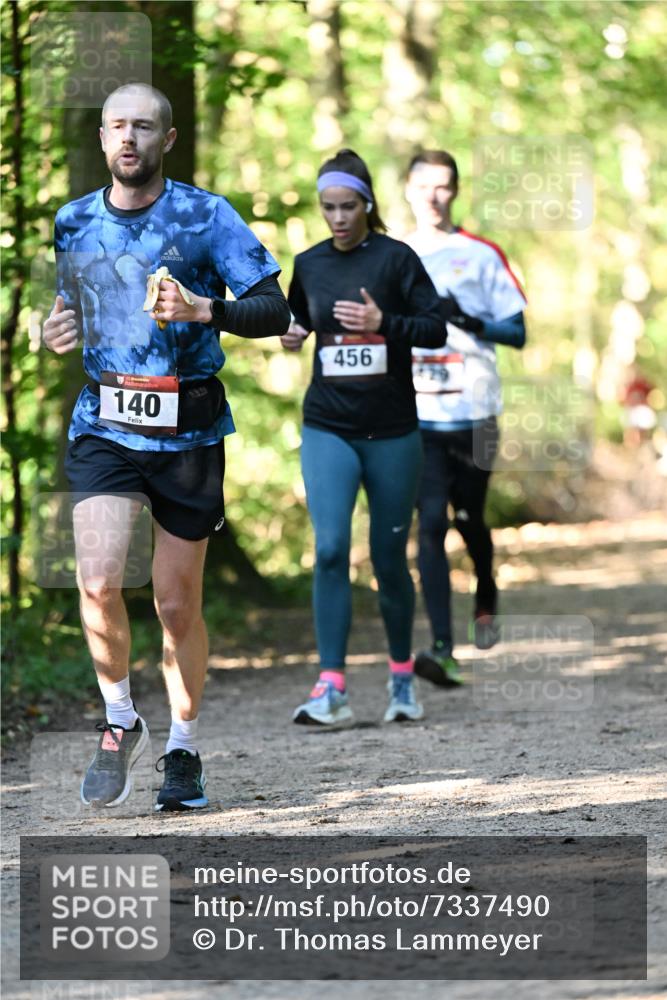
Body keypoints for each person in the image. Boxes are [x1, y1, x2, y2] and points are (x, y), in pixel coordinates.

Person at [42, 83, 290, 811]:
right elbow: (74, 312)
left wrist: (205, 306)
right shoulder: (73, 221)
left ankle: (182, 749)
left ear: (167, 140)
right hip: (105, 425)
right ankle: (121, 720)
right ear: (101, 137)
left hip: (188, 432)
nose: (129, 139)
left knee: (177, 606)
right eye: (117, 126)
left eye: (144, 127)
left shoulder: (206, 215)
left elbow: (275, 308)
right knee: (95, 580)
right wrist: (56, 331)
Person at [281, 149, 446, 726]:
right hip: (329, 424)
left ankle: (402, 680)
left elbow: (434, 327)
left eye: (348, 206)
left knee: (387, 558)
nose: (338, 218)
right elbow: (295, 318)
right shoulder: (310, 262)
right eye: (328, 207)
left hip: (394, 432)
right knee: (328, 550)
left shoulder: (397, 260)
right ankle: (331, 688)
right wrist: (293, 334)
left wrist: (385, 325)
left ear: (368, 204)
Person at [403, 150, 527, 686]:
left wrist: (466, 319)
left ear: (456, 192)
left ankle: (485, 587)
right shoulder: (393, 253)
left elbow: (517, 332)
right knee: (428, 525)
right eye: (424, 185)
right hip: (415, 413)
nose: (434, 195)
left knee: (468, 519)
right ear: (408, 189)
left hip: (475, 411)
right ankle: (442, 648)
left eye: (444, 186)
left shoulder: (481, 254)